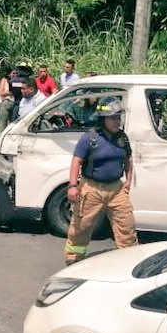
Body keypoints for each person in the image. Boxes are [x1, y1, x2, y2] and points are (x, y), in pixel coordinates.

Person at [64, 100, 138, 264]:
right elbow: (77, 161)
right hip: (91, 189)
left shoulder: (122, 138)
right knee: (81, 226)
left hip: (116, 189)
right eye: (112, 118)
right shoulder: (90, 138)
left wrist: (128, 181)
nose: (116, 121)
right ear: (103, 119)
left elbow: (128, 159)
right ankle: (73, 259)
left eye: (118, 118)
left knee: (126, 226)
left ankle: (128, 262)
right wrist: (73, 186)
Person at [0, 67, 17, 138]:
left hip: (15, 103)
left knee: (13, 122)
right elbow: (1, 93)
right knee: (3, 121)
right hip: (6, 102)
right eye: (13, 73)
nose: (15, 75)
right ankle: (1, 136)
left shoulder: (17, 81)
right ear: (9, 74)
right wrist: (9, 93)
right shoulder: (4, 80)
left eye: (16, 73)